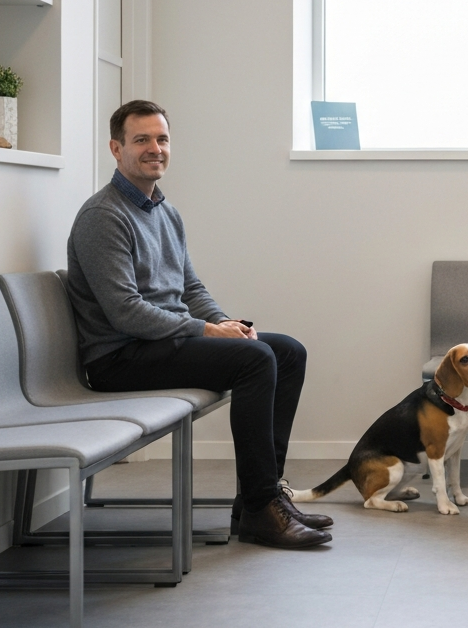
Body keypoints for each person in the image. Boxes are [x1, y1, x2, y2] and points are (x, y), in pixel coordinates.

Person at [67, 100, 332, 549]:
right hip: (121, 356)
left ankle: (261, 497)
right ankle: (260, 509)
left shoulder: (164, 212)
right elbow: (126, 312)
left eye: (162, 139)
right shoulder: (103, 217)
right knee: (253, 360)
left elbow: (190, 287)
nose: (155, 148)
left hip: (163, 342)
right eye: (142, 140)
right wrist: (208, 332)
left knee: (287, 350)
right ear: (116, 148)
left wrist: (225, 321)